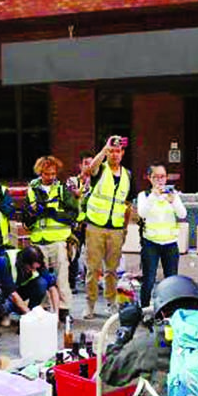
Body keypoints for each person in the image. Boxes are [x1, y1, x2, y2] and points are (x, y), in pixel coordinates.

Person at [82, 136, 137, 319]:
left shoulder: (128, 175)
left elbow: (127, 205)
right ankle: (89, 305)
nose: (114, 154)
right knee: (93, 269)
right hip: (95, 226)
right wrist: (104, 149)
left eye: (117, 151)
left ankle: (111, 302)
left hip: (115, 229)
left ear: (122, 153)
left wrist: (125, 228)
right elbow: (90, 169)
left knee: (112, 270)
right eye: (111, 151)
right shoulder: (101, 169)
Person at [24, 156, 78, 321]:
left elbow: (73, 214)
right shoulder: (32, 190)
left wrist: (54, 214)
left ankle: (63, 309)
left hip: (58, 240)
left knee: (62, 276)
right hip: (39, 241)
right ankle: (45, 308)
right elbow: (26, 219)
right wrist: (32, 214)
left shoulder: (62, 190)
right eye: (47, 174)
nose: (51, 177)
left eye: (53, 173)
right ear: (40, 172)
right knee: (40, 277)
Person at [137, 163, 185, 306]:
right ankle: (144, 309)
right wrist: (154, 195)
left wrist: (174, 201)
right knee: (149, 279)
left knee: (171, 279)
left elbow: (183, 214)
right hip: (150, 242)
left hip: (170, 243)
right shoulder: (144, 195)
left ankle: (169, 309)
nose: (160, 180)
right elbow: (142, 213)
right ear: (149, 178)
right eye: (156, 177)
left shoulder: (173, 195)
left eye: (162, 176)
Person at [66, 151, 93, 294]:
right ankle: (71, 284)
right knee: (73, 255)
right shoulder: (72, 181)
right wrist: (75, 195)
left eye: (92, 163)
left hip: (90, 225)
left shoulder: (97, 182)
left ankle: (90, 284)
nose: (89, 166)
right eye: (86, 163)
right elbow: (69, 199)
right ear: (80, 165)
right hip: (75, 225)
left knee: (91, 256)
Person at [9, 246, 61, 313]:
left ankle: (32, 309)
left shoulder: (37, 264)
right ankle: (5, 314)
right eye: (31, 268)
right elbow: (12, 293)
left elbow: (52, 287)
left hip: (20, 290)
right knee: (5, 305)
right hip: (6, 293)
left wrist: (56, 313)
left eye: (36, 268)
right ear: (24, 263)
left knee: (41, 283)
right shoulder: (6, 261)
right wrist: (29, 314)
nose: (33, 271)